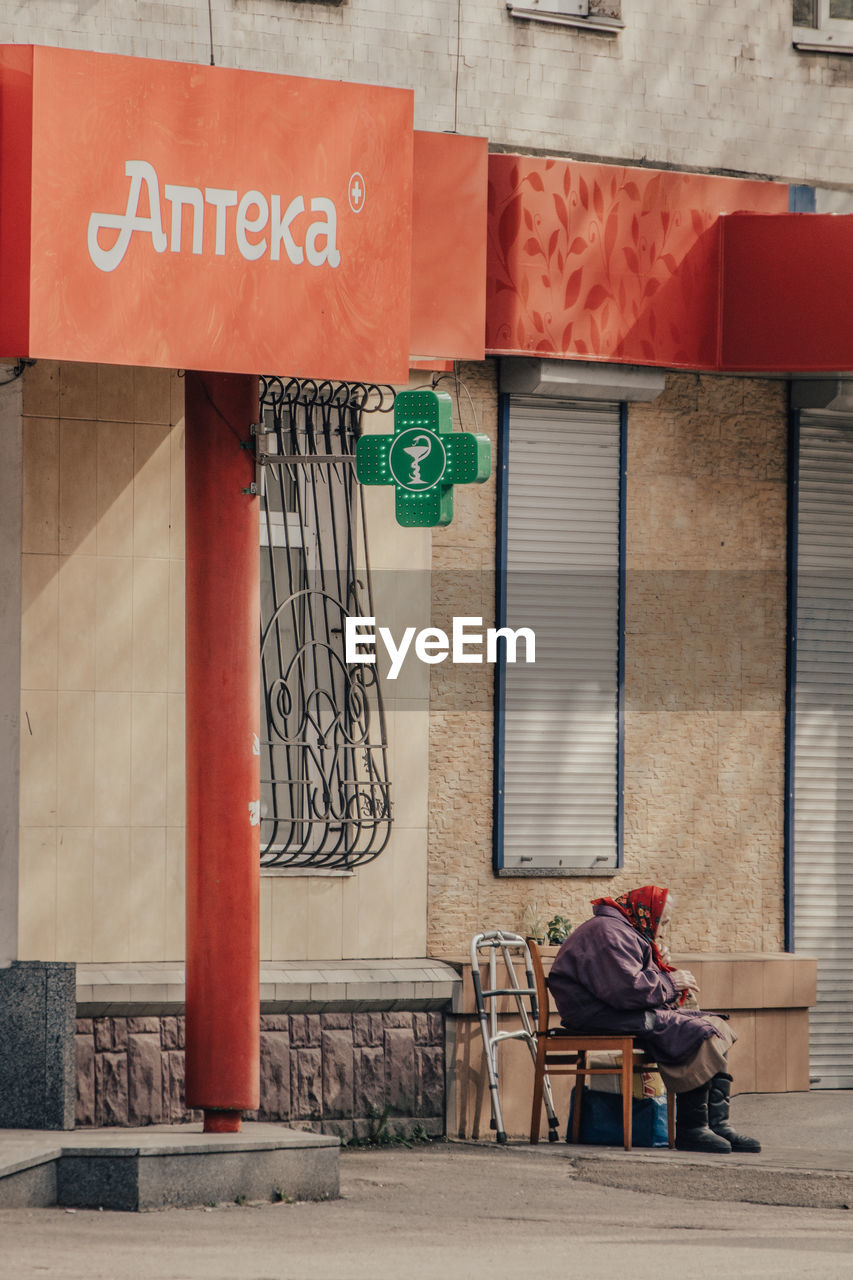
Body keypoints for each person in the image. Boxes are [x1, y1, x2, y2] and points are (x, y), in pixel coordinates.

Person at [546, 885, 760, 1153]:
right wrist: (671, 980)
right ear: (649, 914)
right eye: (663, 922)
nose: (663, 930)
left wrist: (658, 966)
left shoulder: (624, 930)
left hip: (616, 1011)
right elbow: (626, 990)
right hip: (600, 1015)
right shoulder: (608, 932)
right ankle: (691, 1128)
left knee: (714, 1024)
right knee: (697, 1030)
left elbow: (630, 983)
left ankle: (717, 1124)